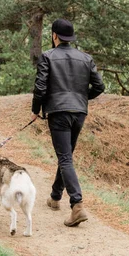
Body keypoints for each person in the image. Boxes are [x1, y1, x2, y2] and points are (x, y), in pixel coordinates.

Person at [31, 18, 105, 227]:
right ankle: (55, 197)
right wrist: (81, 99)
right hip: (79, 112)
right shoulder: (86, 58)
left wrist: (36, 109)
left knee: (64, 158)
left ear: (54, 35)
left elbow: (41, 87)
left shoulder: (47, 57)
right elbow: (99, 86)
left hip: (59, 113)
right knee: (67, 156)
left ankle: (77, 205)